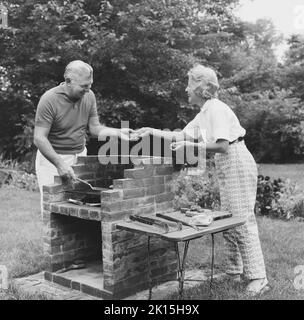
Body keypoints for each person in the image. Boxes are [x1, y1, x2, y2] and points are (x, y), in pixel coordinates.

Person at [136, 64, 268, 296]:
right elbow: (180, 135)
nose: (186, 90)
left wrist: (190, 145)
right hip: (227, 162)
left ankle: (259, 278)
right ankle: (233, 271)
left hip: (235, 158)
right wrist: (151, 131)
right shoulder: (205, 112)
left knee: (243, 219)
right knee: (230, 218)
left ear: (200, 87)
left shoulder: (216, 108)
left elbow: (222, 145)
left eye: (189, 84)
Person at [34, 60, 131, 208]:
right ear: (68, 81)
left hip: (79, 156)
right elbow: (39, 138)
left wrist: (117, 132)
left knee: (78, 204)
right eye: (84, 86)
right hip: (52, 160)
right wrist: (60, 164)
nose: (88, 89)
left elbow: (94, 128)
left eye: (90, 85)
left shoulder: (89, 96)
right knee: (52, 207)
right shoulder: (49, 100)